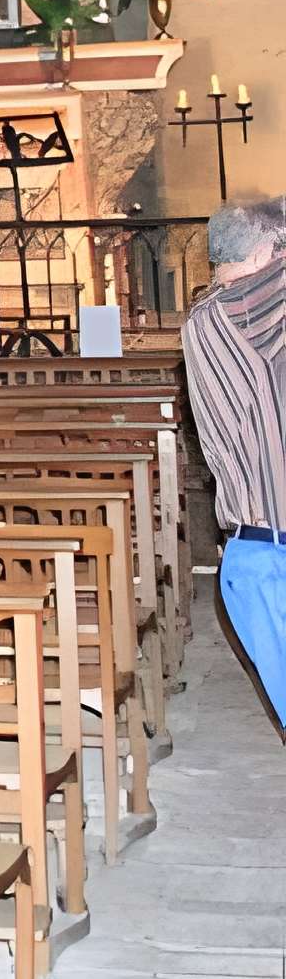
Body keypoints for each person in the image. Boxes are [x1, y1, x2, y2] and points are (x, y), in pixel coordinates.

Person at [184, 196, 286, 720]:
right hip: (274, 557)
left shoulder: (203, 318)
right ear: (265, 254)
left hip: (252, 554)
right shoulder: (250, 311)